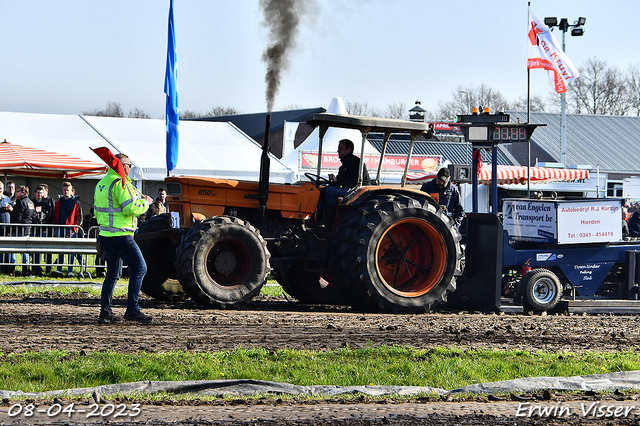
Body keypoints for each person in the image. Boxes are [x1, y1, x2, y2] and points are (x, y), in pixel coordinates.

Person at [94, 153, 153, 324]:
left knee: (112, 273)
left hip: (106, 234)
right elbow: (130, 208)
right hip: (121, 235)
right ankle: (132, 309)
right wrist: (146, 204)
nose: (129, 168)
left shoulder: (102, 183)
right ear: (121, 165)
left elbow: (98, 211)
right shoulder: (120, 183)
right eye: (128, 165)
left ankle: (105, 311)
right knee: (140, 268)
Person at [316, 139, 370, 224]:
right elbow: (342, 182)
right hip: (350, 189)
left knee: (330, 192)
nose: (338, 151)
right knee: (320, 191)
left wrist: (337, 180)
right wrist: (331, 182)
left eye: (340, 149)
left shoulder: (355, 162)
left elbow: (354, 181)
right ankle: (317, 220)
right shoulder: (344, 166)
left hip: (358, 190)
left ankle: (328, 223)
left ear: (348, 150)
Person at [52, 181, 83, 278]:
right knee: (60, 250)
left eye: (67, 190)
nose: (66, 192)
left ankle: (70, 270)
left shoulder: (75, 202)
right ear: (62, 190)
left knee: (71, 251)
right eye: (64, 190)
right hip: (60, 228)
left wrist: (74, 229)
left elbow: (79, 217)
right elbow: (55, 215)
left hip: (71, 229)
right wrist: (55, 226)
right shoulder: (59, 202)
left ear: (71, 191)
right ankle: (59, 269)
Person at [32, 184, 56, 276]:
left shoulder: (48, 202)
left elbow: (50, 215)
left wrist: (48, 227)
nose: (39, 195)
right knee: (35, 250)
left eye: (41, 193)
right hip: (36, 229)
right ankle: (36, 267)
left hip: (46, 229)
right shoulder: (32, 202)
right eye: (38, 193)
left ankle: (48, 268)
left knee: (48, 249)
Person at [13, 185, 35, 276]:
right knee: (25, 250)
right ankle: (25, 270)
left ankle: (12, 269)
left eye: (18, 191)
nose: (16, 193)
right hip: (28, 229)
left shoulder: (21, 202)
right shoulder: (31, 202)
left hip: (19, 229)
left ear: (23, 192)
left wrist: (13, 225)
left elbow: (18, 216)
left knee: (12, 248)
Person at [0, 182, 13, 273]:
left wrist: (11, 209)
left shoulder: (6, 199)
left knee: (7, 249)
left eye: (0, 188)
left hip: (6, 228)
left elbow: (13, 210)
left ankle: (7, 268)